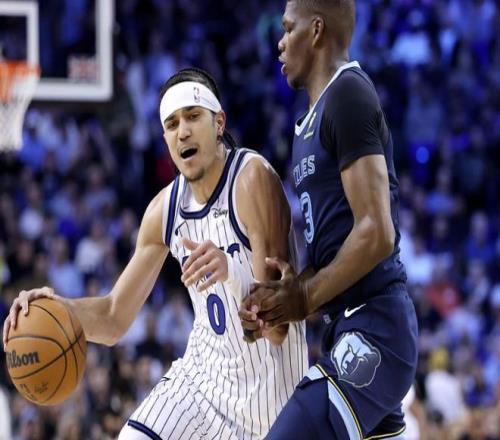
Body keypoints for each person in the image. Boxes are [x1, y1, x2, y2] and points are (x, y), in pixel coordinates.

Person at [3, 67, 308, 440]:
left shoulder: (252, 178)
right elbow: (113, 318)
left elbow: (277, 329)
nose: (183, 131)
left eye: (193, 116)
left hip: (274, 403)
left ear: (219, 123)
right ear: (165, 138)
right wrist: (57, 309)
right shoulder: (163, 211)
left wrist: (231, 271)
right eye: (172, 123)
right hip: (202, 388)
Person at [239, 1, 418, 439]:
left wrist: (304, 296)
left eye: (288, 29)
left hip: (376, 327)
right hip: (346, 329)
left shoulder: (348, 94)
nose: (280, 43)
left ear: (316, 30)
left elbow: (376, 232)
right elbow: (337, 254)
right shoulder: (308, 123)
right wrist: (279, 300)